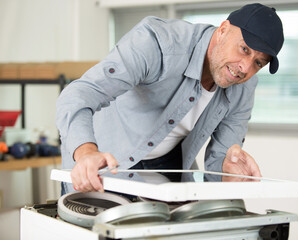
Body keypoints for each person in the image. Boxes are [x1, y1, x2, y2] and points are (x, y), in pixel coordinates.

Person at [56, 3, 284, 194]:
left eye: (258, 63)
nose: (245, 67)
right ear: (223, 30)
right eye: (244, 49)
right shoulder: (158, 43)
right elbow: (79, 94)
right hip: (105, 159)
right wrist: (86, 153)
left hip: (168, 165)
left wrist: (229, 171)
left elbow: (221, 161)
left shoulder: (244, 85)